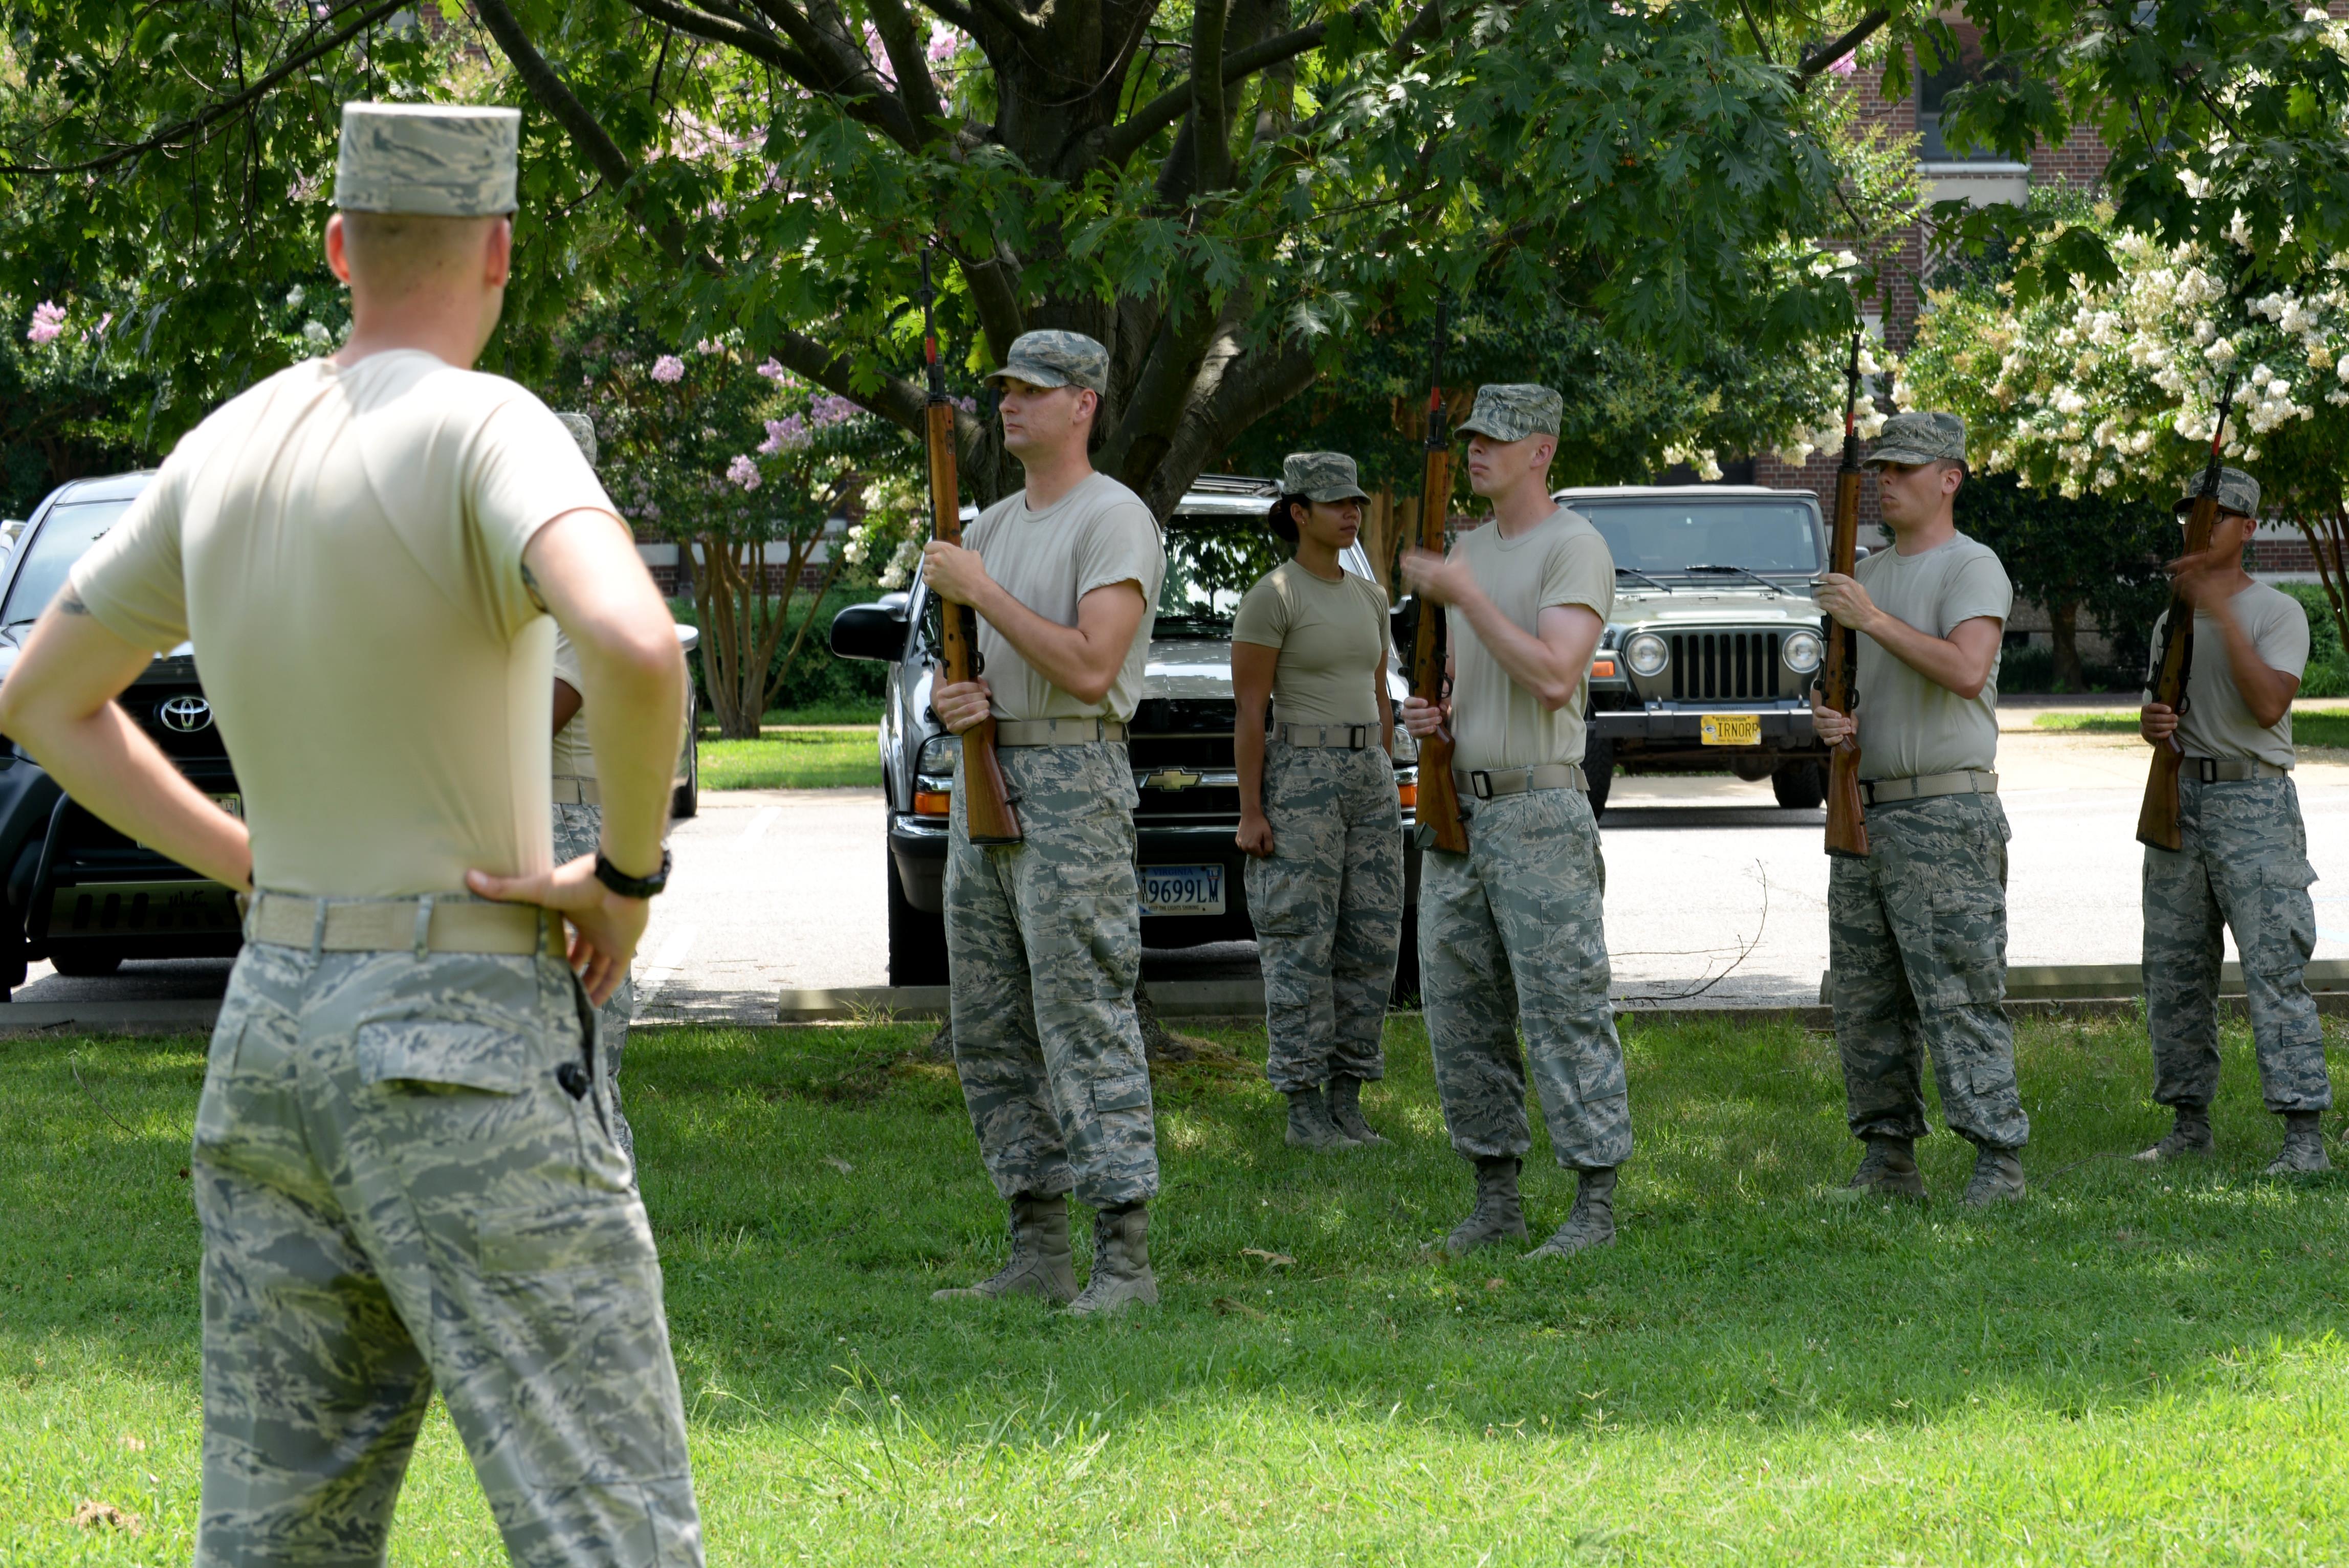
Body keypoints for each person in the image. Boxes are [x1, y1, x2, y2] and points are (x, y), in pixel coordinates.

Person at [0, 103, 705, 1562]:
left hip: (269, 1037)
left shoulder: (226, 444)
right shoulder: (487, 422)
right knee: (605, 1525)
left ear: (339, 247)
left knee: (277, 1540)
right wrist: (626, 875)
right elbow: (637, 648)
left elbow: (41, 699)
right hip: (459, 1040)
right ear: (500, 249)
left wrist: (249, 861)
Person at [920, 329, 1169, 1316]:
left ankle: (1125, 1260)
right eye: (1004, 390)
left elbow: (1090, 666)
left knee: (1084, 1016)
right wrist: (957, 701)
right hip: (992, 773)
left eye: (1032, 390)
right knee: (988, 1022)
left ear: (1083, 405)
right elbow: (969, 665)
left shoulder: (1116, 519)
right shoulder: (987, 525)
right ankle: (1036, 1248)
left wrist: (980, 590)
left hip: (1073, 774)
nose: (1010, 405)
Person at [1399, 384, 1630, 1260]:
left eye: (1497, 438)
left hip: (1540, 807)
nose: (1476, 451)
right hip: (1462, 804)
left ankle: (1593, 1204)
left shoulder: (1575, 546)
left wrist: (1465, 591)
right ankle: (1495, 1198)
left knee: (1563, 1005)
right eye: (1471, 437)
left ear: (1543, 450)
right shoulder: (1470, 549)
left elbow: (1553, 674)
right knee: (1460, 1009)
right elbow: (1477, 681)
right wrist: (1437, 720)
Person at [1810, 409, 2028, 1206]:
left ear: (1950, 477)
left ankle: (1999, 1158)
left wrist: (1868, 617)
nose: (1886, 483)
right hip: (1866, 809)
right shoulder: (1864, 571)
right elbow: (1854, 684)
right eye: (1882, 470)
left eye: (1904, 469)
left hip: (1945, 814)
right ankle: (1888, 1157)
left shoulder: (1972, 567)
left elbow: (1967, 669)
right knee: (1867, 996)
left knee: (1960, 992)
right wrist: (1832, 717)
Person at [2134, 467, 2332, 1173]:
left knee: (2274, 967)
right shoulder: (2169, 619)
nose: (2198, 526)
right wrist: (2155, 723)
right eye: (2190, 513)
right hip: (2181, 799)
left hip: (2255, 804)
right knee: (2175, 971)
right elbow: (2163, 711)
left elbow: (2269, 704)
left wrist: (2218, 608)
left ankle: (2304, 1137)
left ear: (2247, 530)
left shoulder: (2278, 612)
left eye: (2215, 517)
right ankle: (2188, 1125)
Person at [1233, 451, 1404, 1151]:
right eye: (1334, 503)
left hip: (1368, 774)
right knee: (1301, 938)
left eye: (1354, 501)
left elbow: (1377, 689)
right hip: (1301, 772)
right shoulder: (1274, 594)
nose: (1350, 513)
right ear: (1298, 511)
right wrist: (1252, 810)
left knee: (1370, 936)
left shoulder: (1369, 596)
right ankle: (1303, 1106)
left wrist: (1386, 763)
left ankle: (1348, 1097)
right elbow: (1249, 712)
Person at [550, 409, 637, 1167]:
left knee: (582, 1048)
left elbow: (539, 713)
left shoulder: (591, 583)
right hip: (528, 828)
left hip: (572, 829)